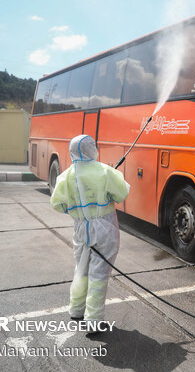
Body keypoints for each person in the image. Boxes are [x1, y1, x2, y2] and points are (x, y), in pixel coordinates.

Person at [50, 135, 130, 333]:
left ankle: (76, 309)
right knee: (99, 274)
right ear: (91, 149)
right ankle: (93, 320)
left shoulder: (65, 176)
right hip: (104, 228)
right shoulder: (104, 171)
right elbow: (121, 194)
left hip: (80, 229)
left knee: (81, 268)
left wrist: (74, 211)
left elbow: (57, 204)